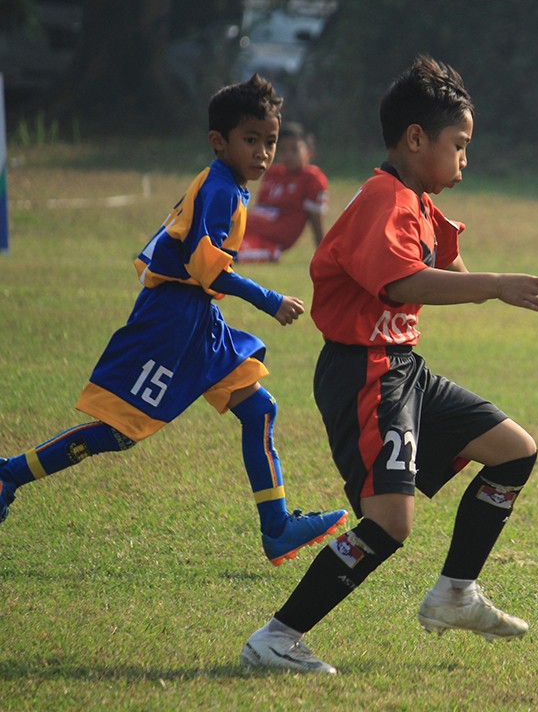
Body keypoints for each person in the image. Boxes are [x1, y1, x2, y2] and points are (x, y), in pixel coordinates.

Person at [240, 56, 538, 674]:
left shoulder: (417, 201)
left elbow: (447, 271)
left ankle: (455, 593)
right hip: (364, 371)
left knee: (514, 450)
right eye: (459, 145)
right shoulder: (384, 199)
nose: (466, 158)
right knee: (389, 522)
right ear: (416, 139)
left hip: (402, 367)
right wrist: (497, 285)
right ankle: (276, 638)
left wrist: (493, 283)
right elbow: (400, 284)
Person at [0, 75, 347, 566]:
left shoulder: (228, 184)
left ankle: (278, 528)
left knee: (259, 408)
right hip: (172, 322)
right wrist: (268, 299)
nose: (264, 152)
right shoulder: (223, 189)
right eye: (251, 140)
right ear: (218, 141)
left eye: (270, 141)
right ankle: (9, 473)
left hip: (197, 318)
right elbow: (207, 266)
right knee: (118, 433)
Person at [236, 121, 329, 263]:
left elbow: (316, 221)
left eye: (294, 150)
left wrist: (323, 256)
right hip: (245, 231)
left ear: (309, 152)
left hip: (268, 243)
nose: (288, 155)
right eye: (283, 150)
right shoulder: (273, 173)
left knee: (226, 254)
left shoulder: (311, 178)